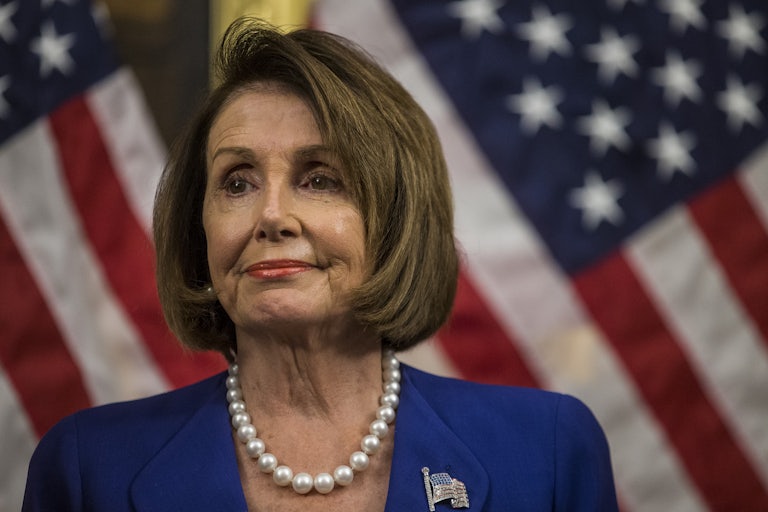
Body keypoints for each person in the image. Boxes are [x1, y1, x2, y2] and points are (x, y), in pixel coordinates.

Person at [23, 18, 619, 511]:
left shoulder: (548, 454)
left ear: (395, 220)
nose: (271, 215)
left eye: (320, 179)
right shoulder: (86, 471)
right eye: (237, 182)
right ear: (197, 231)